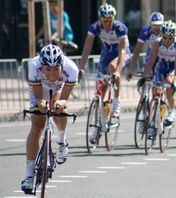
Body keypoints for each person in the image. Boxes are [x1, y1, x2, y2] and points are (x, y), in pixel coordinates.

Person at [21, 44, 79, 193]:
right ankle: (28, 174)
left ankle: (61, 141)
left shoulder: (71, 69)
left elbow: (65, 98)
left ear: (62, 66)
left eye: (56, 69)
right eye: (48, 69)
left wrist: (60, 103)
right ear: (42, 66)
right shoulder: (34, 66)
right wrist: (41, 104)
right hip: (40, 88)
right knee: (37, 126)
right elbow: (39, 97)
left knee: (59, 108)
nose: (52, 74)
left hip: (59, 88)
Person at [79, 4, 131, 116]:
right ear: (100, 19)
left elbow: (122, 51)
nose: (107, 23)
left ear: (113, 19)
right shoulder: (95, 27)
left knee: (112, 67)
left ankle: (116, 102)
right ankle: (99, 120)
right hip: (107, 53)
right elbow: (87, 48)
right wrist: (81, 68)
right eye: (104, 20)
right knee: (101, 84)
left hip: (122, 53)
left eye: (109, 20)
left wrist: (117, 71)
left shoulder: (120, 28)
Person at [143, 20, 176, 139]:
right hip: (162, 66)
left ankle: (171, 112)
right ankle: (153, 123)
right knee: (155, 89)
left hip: (173, 67)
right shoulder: (157, 43)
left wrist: (175, 80)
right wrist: (145, 76)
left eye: (170, 38)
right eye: (164, 37)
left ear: (174, 36)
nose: (167, 40)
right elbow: (151, 61)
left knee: (167, 85)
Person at [126, 11, 164, 80]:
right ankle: (144, 89)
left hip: (163, 53)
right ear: (150, 24)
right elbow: (137, 49)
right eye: (154, 25)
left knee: (158, 74)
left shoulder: (165, 31)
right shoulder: (146, 31)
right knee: (145, 75)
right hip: (151, 52)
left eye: (159, 25)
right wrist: (132, 68)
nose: (156, 28)